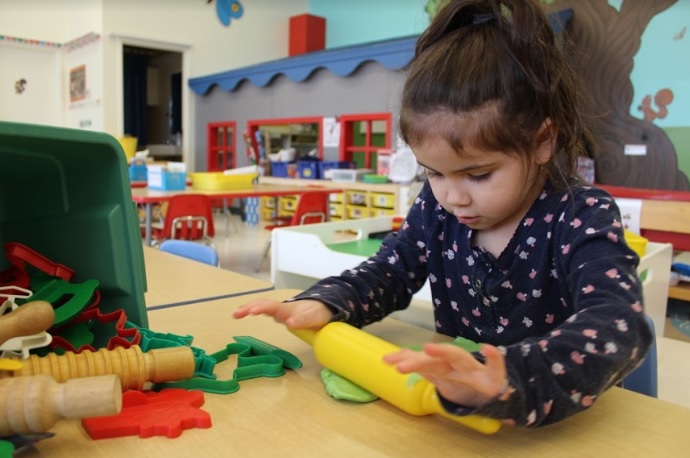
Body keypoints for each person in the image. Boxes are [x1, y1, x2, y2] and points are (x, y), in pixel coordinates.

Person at [233, 0, 652, 428]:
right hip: (455, 423)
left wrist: (510, 378)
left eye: (478, 174)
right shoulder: (437, 208)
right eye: (433, 172)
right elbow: (391, 272)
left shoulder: (580, 215)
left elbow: (619, 323)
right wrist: (329, 300)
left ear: (543, 140)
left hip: (560, 430)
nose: (454, 198)